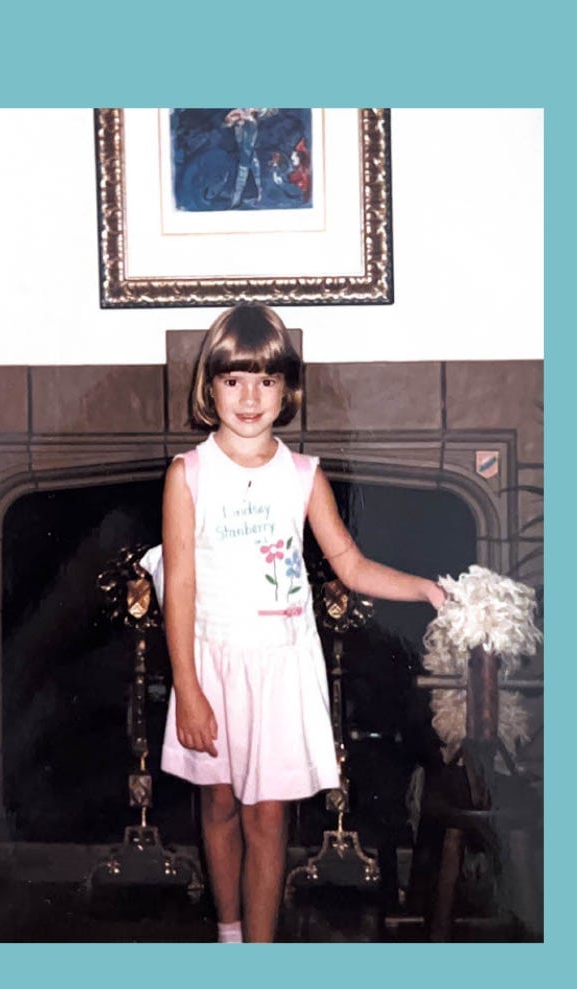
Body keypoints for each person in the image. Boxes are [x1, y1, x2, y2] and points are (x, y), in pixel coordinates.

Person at [160, 304, 445, 942]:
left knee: (269, 818)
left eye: (266, 380)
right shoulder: (188, 476)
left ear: (288, 390)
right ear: (210, 388)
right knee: (220, 804)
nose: (250, 396)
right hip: (212, 665)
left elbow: (350, 563)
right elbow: (178, 585)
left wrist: (423, 587)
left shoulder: (303, 475)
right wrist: (188, 688)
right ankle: (228, 934)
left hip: (282, 666)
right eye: (234, 380)